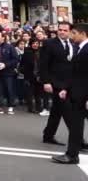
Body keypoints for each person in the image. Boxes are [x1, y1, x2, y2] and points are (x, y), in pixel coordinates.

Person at [52, 23, 88, 164]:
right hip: (77, 95)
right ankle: (72, 154)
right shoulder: (80, 48)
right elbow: (76, 74)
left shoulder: (86, 50)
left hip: (83, 96)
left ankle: (72, 155)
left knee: (76, 125)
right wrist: (66, 89)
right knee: (76, 125)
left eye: (73, 33)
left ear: (83, 34)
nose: (71, 36)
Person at [40, 22, 74, 146]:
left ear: (70, 31)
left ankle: (48, 135)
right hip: (55, 83)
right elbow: (43, 64)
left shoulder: (73, 44)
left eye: (65, 30)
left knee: (56, 111)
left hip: (69, 84)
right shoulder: (49, 43)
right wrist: (46, 81)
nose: (62, 32)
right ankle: (78, 140)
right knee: (68, 111)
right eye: (60, 29)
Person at [0, 32, 18, 114]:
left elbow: (15, 59)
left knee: (9, 89)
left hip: (8, 72)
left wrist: (5, 64)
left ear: (3, 38)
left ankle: (10, 106)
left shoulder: (10, 47)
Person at [20, 39, 43, 114]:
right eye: (34, 43)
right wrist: (24, 72)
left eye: (37, 43)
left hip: (39, 76)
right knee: (30, 93)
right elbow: (21, 64)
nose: (35, 44)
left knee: (38, 93)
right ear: (31, 44)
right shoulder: (27, 53)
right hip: (29, 76)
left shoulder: (41, 52)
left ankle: (39, 108)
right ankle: (31, 108)